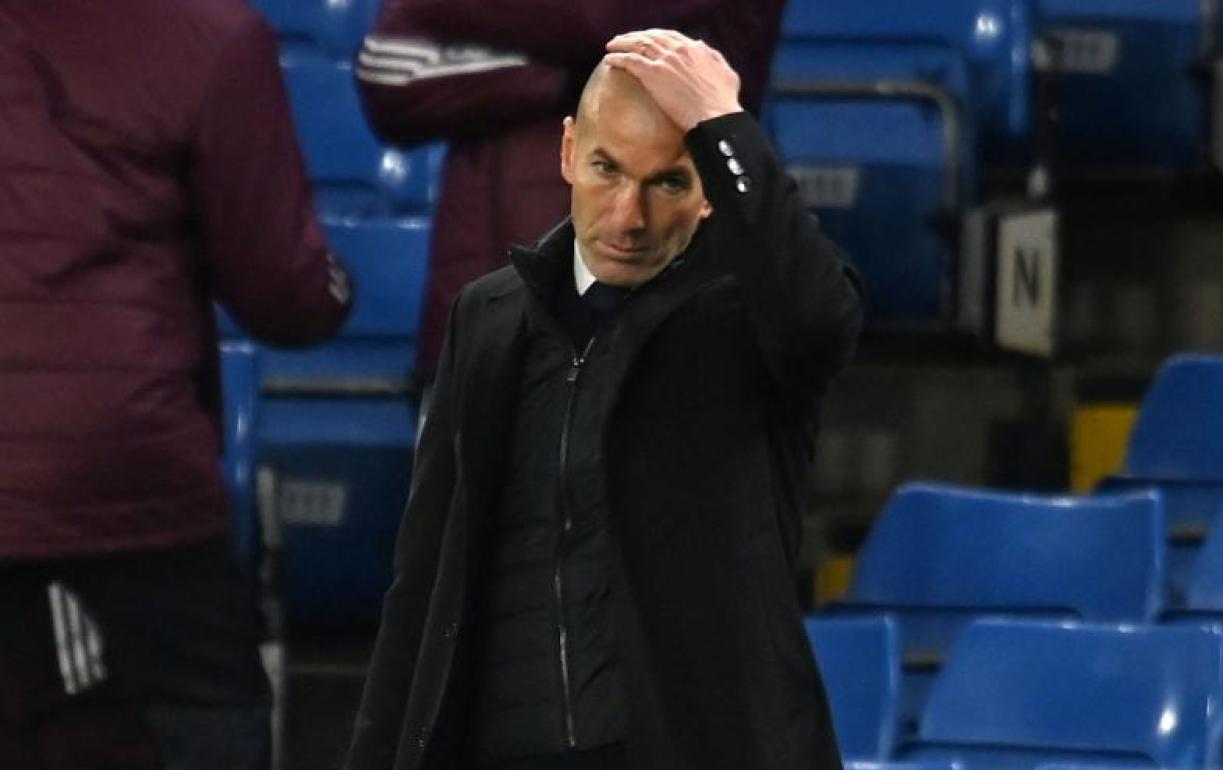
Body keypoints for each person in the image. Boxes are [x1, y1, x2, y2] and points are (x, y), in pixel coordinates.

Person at [346, 29, 862, 770]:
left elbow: (821, 317)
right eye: (606, 169)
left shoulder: (744, 321)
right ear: (566, 152)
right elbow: (424, 586)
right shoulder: (487, 319)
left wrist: (723, 123)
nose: (628, 217)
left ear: (710, 192)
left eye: (668, 183)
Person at [0, 0, 351, 768]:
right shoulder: (205, 33)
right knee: (202, 714)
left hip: (79, 467)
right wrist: (335, 288)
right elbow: (284, 293)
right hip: (112, 476)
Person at [353, 0, 789, 380]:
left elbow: (599, 15)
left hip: (659, 330)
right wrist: (570, 77)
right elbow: (390, 68)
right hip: (491, 325)